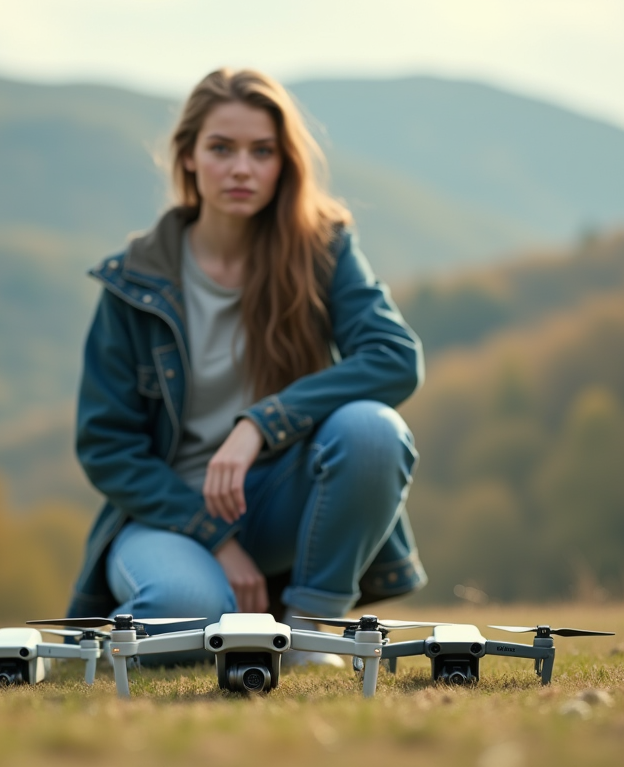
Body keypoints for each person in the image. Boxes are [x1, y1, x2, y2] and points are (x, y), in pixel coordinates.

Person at [65, 68, 426, 664]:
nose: (242, 169)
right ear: (187, 158)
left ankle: (308, 632)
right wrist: (216, 538)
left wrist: (260, 423)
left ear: (284, 163)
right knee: (193, 617)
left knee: (372, 430)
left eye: (262, 152)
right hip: (170, 515)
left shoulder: (324, 250)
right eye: (221, 149)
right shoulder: (132, 283)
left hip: (279, 496)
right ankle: (117, 642)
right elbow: (106, 447)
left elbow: (394, 358)